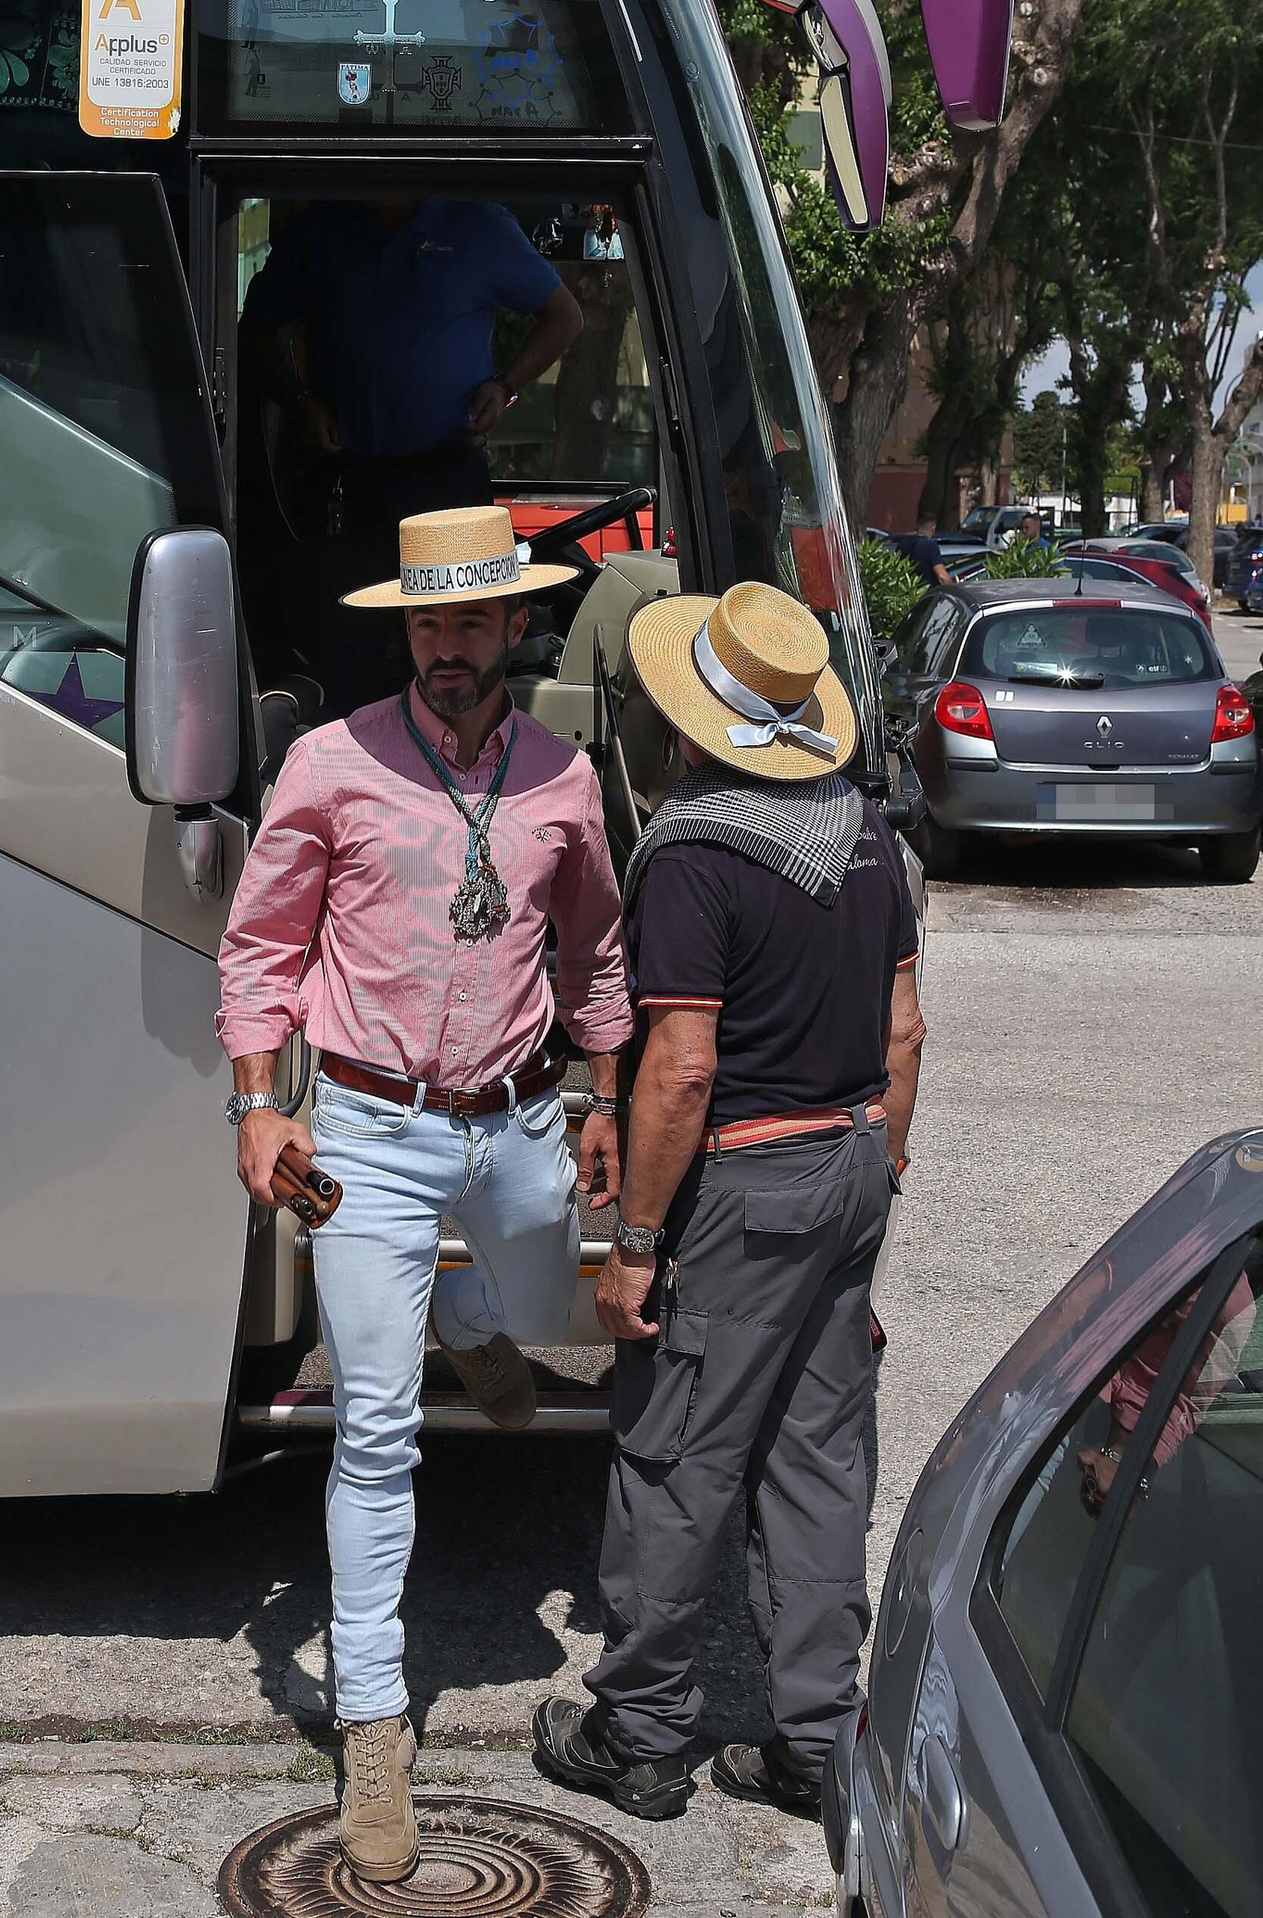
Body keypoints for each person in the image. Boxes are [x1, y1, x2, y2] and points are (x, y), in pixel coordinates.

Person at [216, 504, 633, 1883]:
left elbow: (596, 952)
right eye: (428, 622)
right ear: (405, 630)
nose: (448, 647)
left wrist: (608, 1099)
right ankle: (375, 1724)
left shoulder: (564, 777)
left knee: (538, 1309)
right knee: (376, 1432)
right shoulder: (330, 764)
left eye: (471, 620)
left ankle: (472, 1316)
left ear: (515, 624)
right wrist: (257, 1102)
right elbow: (261, 946)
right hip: (366, 1134)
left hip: (515, 1123)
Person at [533, 581, 927, 1821]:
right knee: (818, 1460)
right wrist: (875, 1177)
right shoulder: (868, 831)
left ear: (686, 717)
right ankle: (815, 1741)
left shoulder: (695, 848)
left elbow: (683, 1071)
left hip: (748, 1185)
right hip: (853, 1158)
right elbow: (904, 1033)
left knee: (676, 1456)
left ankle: (641, 1733)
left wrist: (634, 1245)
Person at [243, 198, 584, 710]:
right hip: (347, 486)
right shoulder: (321, 228)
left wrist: (506, 385)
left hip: (449, 483)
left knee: (456, 653)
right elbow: (256, 329)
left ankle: (456, 759)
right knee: (348, 653)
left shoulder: (478, 225)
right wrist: (299, 402)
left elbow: (565, 316)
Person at [903, 515, 953, 591]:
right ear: (933, 528)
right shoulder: (931, 546)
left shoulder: (903, 544)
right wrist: (952, 590)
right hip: (926, 592)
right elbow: (942, 576)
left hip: (906, 591)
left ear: (917, 526)